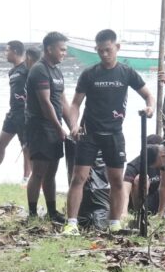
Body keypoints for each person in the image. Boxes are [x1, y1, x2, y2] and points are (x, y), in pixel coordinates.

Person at [64, 29, 155, 235]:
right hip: (89, 133)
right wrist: (74, 125)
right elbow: (75, 104)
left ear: (117, 48)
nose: (104, 54)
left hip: (114, 134)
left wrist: (149, 108)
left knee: (116, 180)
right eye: (100, 51)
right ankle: (71, 224)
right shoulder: (89, 74)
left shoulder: (126, 72)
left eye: (108, 50)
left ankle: (114, 223)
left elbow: (149, 95)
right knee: (79, 178)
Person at [24, 32, 73, 223]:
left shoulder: (57, 71)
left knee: (52, 171)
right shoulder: (39, 70)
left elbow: (62, 102)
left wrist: (72, 126)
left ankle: (52, 212)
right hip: (40, 127)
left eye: (65, 50)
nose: (64, 53)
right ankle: (33, 213)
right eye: (61, 49)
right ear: (49, 49)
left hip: (54, 127)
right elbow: (45, 103)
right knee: (38, 171)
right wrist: (58, 127)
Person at [0, 40, 35, 187]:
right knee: (0, 143)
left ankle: (26, 179)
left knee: (26, 147)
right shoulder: (12, 71)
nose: (5, 54)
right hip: (12, 113)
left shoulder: (27, 68)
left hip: (25, 114)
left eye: (7, 51)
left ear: (15, 51)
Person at [121, 134, 163, 217]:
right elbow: (125, 191)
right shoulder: (134, 165)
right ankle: (139, 214)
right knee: (141, 178)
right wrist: (123, 212)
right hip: (140, 200)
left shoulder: (163, 161)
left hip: (157, 199)